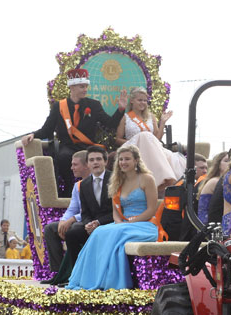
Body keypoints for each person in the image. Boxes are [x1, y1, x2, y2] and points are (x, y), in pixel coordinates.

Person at [22, 68, 127, 196]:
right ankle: (68, 191)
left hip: (89, 146)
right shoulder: (59, 107)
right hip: (68, 146)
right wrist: (33, 134)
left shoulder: (93, 105)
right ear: (72, 87)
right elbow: (46, 130)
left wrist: (120, 109)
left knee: (101, 157)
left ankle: (100, 192)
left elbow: (110, 124)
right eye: (82, 86)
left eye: (86, 86)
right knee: (64, 157)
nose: (85, 90)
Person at [67, 144, 158, 290]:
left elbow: (151, 209)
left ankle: (112, 281)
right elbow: (116, 210)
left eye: (127, 159)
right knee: (98, 232)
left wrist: (130, 222)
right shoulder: (118, 181)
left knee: (115, 232)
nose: (123, 162)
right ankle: (92, 279)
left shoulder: (147, 179)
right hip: (122, 224)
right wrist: (118, 222)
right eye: (121, 159)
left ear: (136, 161)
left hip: (144, 224)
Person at [115, 86, 183, 190]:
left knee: (171, 157)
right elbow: (118, 139)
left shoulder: (151, 117)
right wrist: (139, 140)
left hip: (151, 147)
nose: (142, 103)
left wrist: (162, 122)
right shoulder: (126, 117)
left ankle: (163, 181)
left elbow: (156, 138)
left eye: (145, 100)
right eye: (140, 100)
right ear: (132, 101)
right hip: (132, 147)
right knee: (144, 135)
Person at [64, 146, 115, 265]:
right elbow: (85, 212)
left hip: (111, 223)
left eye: (98, 159)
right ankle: (76, 273)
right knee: (72, 234)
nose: (95, 162)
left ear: (105, 161)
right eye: (91, 160)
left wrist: (98, 222)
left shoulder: (115, 179)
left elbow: (118, 209)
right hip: (92, 225)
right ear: (87, 164)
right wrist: (88, 224)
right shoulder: (84, 184)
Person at [44, 150, 90, 271]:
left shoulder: (95, 183)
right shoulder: (78, 185)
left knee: (74, 228)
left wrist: (72, 220)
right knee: (50, 229)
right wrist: (63, 222)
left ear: (86, 165)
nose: (71, 168)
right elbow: (72, 208)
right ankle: (57, 272)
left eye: (75, 165)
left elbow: (91, 211)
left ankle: (74, 272)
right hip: (78, 220)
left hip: (89, 220)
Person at [198, 151, 229, 224]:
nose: (229, 163)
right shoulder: (215, 181)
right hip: (208, 225)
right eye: (226, 161)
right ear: (218, 164)